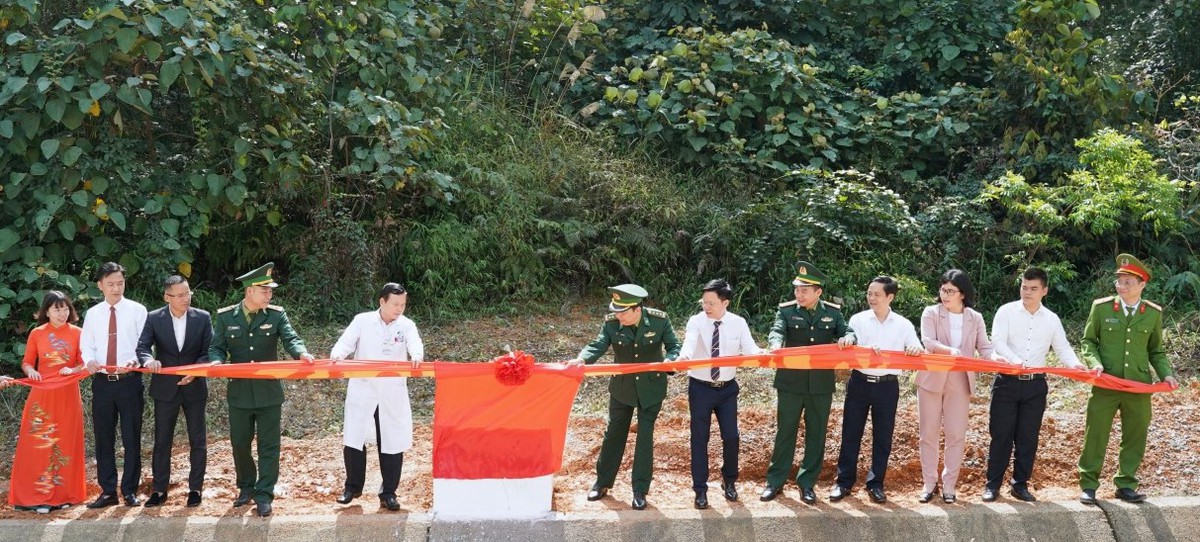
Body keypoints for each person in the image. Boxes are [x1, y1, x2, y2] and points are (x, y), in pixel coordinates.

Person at [209, 262, 315, 517]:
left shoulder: (276, 315)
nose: (269, 295)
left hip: (268, 392)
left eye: (270, 291)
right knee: (240, 443)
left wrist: (301, 353)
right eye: (264, 290)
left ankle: (264, 493)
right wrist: (216, 361)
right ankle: (246, 487)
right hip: (240, 393)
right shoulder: (226, 317)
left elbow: (290, 338)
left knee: (269, 445)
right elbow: (217, 347)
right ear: (249, 291)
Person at [565, 284, 681, 510]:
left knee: (644, 436)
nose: (618, 316)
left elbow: (674, 346)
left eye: (623, 312)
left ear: (637, 309)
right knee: (613, 434)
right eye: (615, 311)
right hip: (622, 388)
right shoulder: (611, 323)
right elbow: (598, 344)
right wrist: (581, 360)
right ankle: (602, 482)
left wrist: (671, 360)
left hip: (651, 388)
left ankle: (640, 490)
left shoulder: (659, 320)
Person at [1078, 254, 1178, 505]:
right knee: (1096, 433)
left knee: (1135, 434)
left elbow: (1156, 351)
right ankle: (1088, 484)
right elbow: (1088, 341)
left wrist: (1166, 373)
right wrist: (1095, 363)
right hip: (1106, 383)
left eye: (1127, 282)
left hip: (1138, 385)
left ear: (1142, 284)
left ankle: (1126, 484)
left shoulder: (1152, 313)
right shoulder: (1101, 308)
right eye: (1119, 281)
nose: (1121, 286)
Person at [985, 267, 1091, 503]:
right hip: (1007, 382)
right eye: (1024, 287)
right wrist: (1014, 360)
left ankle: (1020, 484)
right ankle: (992, 485)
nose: (1027, 292)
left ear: (1044, 290)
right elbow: (998, 342)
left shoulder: (1051, 319)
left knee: (1028, 437)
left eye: (1033, 288)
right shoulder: (1006, 312)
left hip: (1035, 386)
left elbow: (1062, 347)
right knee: (1001, 435)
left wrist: (1075, 364)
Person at [761, 261, 851, 505]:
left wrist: (848, 338)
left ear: (818, 292)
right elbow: (777, 331)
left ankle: (807, 483)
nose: (799, 295)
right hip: (791, 383)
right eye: (797, 290)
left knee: (816, 434)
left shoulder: (832, 312)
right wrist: (775, 344)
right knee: (785, 432)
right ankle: (775, 482)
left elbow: (846, 331)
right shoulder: (786, 311)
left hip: (820, 385)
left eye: (804, 291)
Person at [329, 282, 424, 512]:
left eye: (403, 304)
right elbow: (345, 343)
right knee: (354, 438)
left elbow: (415, 344)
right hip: (364, 388)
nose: (399, 309)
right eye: (395, 304)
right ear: (382, 301)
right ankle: (352, 488)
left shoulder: (407, 325)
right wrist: (337, 356)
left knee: (392, 441)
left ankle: (388, 492)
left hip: (391, 392)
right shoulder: (362, 321)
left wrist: (416, 355)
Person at [831, 275, 923, 504]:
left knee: (883, 436)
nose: (871, 298)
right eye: (869, 293)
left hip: (887, 386)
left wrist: (914, 349)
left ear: (890, 297)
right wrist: (862, 349)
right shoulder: (858, 319)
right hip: (859, 382)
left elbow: (916, 347)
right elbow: (850, 343)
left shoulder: (903, 324)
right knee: (851, 433)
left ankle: (875, 484)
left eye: (877, 294)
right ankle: (843, 482)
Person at [917, 269, 1002, 504]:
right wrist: (950, 351)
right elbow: (928, 341)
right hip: (932, 379)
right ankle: (929, 483)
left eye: (950, 291)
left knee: (956, 434)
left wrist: (995, 358)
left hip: (960, 380)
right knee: (928, 434)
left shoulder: (975, 317)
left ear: (962, 294)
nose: (945, 295)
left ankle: (949, 485)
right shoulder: (931, 313)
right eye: (943, 290)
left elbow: (984, 346)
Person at [677, 278, 761, 509]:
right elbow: (689, 344)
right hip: (700, 388)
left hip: (727, 390)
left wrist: (763, 354)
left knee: (731, 436)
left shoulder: (738, 323)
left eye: (711, 303)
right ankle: (700, 490)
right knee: (699, 438)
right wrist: (683, 358)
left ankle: (729, 481)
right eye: (704, 302)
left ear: (725, 303)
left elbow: (751, 349)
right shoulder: (696, 321)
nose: (706, 307)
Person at [136, 275, 214, 508]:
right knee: (162, 441)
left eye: (187, 293)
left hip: (194, 386)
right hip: (165, 388)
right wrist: (148, 360)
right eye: (179, 295)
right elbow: (143, 346)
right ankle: (159, 490)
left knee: (197, 441)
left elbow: (209, 351)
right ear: (167, 297)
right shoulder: (154, 318)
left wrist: (196, 371)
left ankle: (195, 489)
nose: (185, 299)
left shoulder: (202, 317)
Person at [6, 291, 88, 513]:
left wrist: (73, 370)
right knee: (37, 444)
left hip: (68, 396)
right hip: (41, 396)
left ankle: (64, 496)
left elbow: (85, 363)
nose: (62, 313)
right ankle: (34, 497)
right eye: (57, 309)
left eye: (65, 309)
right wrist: (31, 371)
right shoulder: (37, 333)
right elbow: (27, 362)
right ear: (47, 312)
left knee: (65, 443)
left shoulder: (78, 333)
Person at [80, 262, 149, 508]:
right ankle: (108, 491)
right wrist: (89, 360)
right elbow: (86, 344)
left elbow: (145, 344)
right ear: (100, 285)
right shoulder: (93, 314)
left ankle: (130, 490)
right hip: (102, 383)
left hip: (129, 382)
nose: (116, 288)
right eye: (110, 284)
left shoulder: (138, 310)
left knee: (132, 437)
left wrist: (136, 361)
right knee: (103, 437)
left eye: (120, 283)